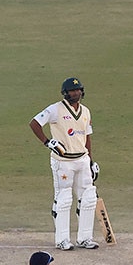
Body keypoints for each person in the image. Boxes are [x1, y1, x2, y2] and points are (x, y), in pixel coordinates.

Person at [29, 77, 100, 251]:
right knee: (64, 199)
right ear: (65, 93)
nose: (75, 93)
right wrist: (47, 142)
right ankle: (62, 240)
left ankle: (84, 238)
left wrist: (91, 161)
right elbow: (34, 123)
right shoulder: (55, 109)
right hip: (63, 161)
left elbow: (87, 137)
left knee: (89, 198)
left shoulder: (85, 111)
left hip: (82, 159)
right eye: (71, 91)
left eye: (77, 90)